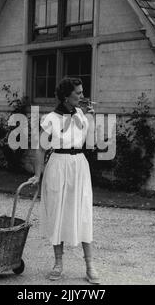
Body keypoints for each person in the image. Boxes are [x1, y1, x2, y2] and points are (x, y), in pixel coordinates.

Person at [28, 77, 100, 285]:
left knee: (83, 212)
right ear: (66, 96)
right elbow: (41, 148)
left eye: (82, 92)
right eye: (78, 93)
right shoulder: (50, 118)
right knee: (58, 212)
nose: (82, 96)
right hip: (57, 165)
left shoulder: (82, 116)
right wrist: (37, 174)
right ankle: (58, 263)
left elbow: (91, 144)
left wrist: (91, 120)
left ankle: (90, 265)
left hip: (79, 166)